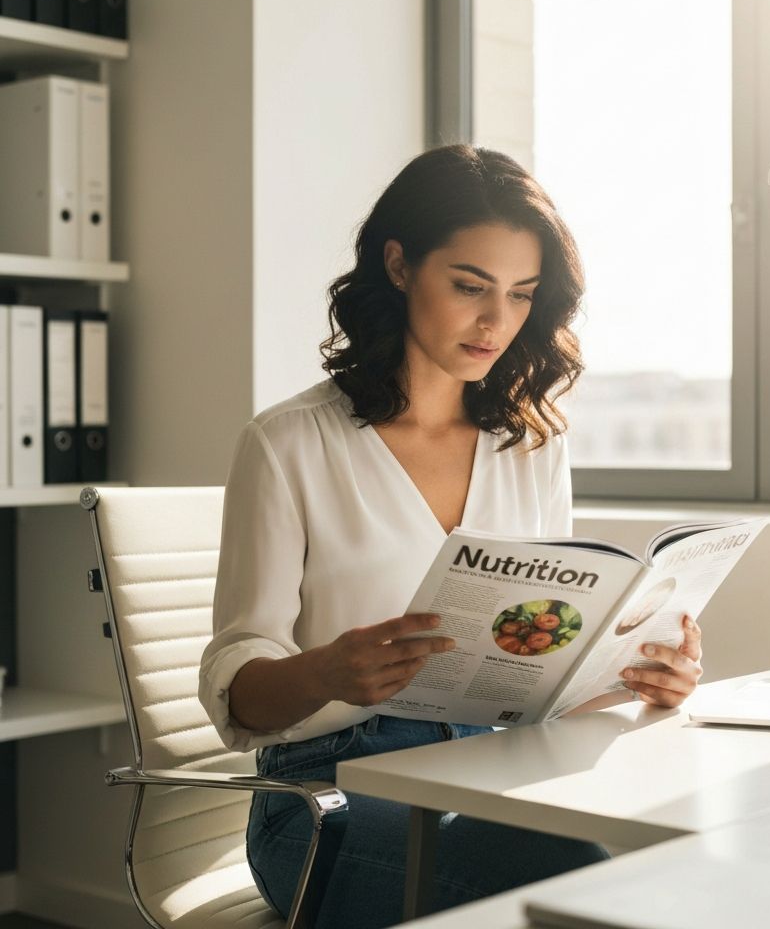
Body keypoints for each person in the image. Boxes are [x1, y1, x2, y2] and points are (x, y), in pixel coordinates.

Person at [198, 145, 703, 929]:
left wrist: (632, 674)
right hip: (325, 796)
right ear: (399, 266)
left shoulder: (532, 445)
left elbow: (540, 672)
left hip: (488, 769)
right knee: (567, 892)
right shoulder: (289, 443)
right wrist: (329, 670)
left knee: (652, 864)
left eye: (521, 295)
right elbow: (235, 689)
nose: (496, 321)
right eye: (470, 287)